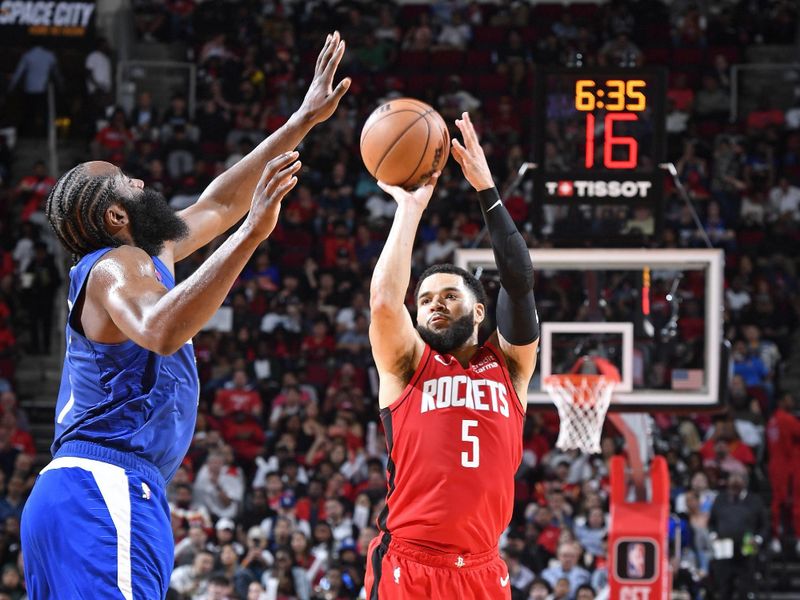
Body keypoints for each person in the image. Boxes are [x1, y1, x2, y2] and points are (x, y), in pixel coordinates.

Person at [20, 31, 350, 599]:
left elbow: (220, 203)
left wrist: (301, 121)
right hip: (106, 487)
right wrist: (252, 235)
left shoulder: (150, 253)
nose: (143, 180)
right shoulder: (115, 265)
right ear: (118, 214)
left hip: (84, 491)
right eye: (128, 180)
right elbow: (162, 329)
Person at [363, 112, 539, 599]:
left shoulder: (510, 366)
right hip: (410, 563)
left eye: (448, 295)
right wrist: (411, 208)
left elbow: (520, 282)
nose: (433, 304)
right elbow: (383, 302)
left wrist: (488, 191)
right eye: (424, 299)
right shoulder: (406, 365)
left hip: (483, 570)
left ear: (480, 310)